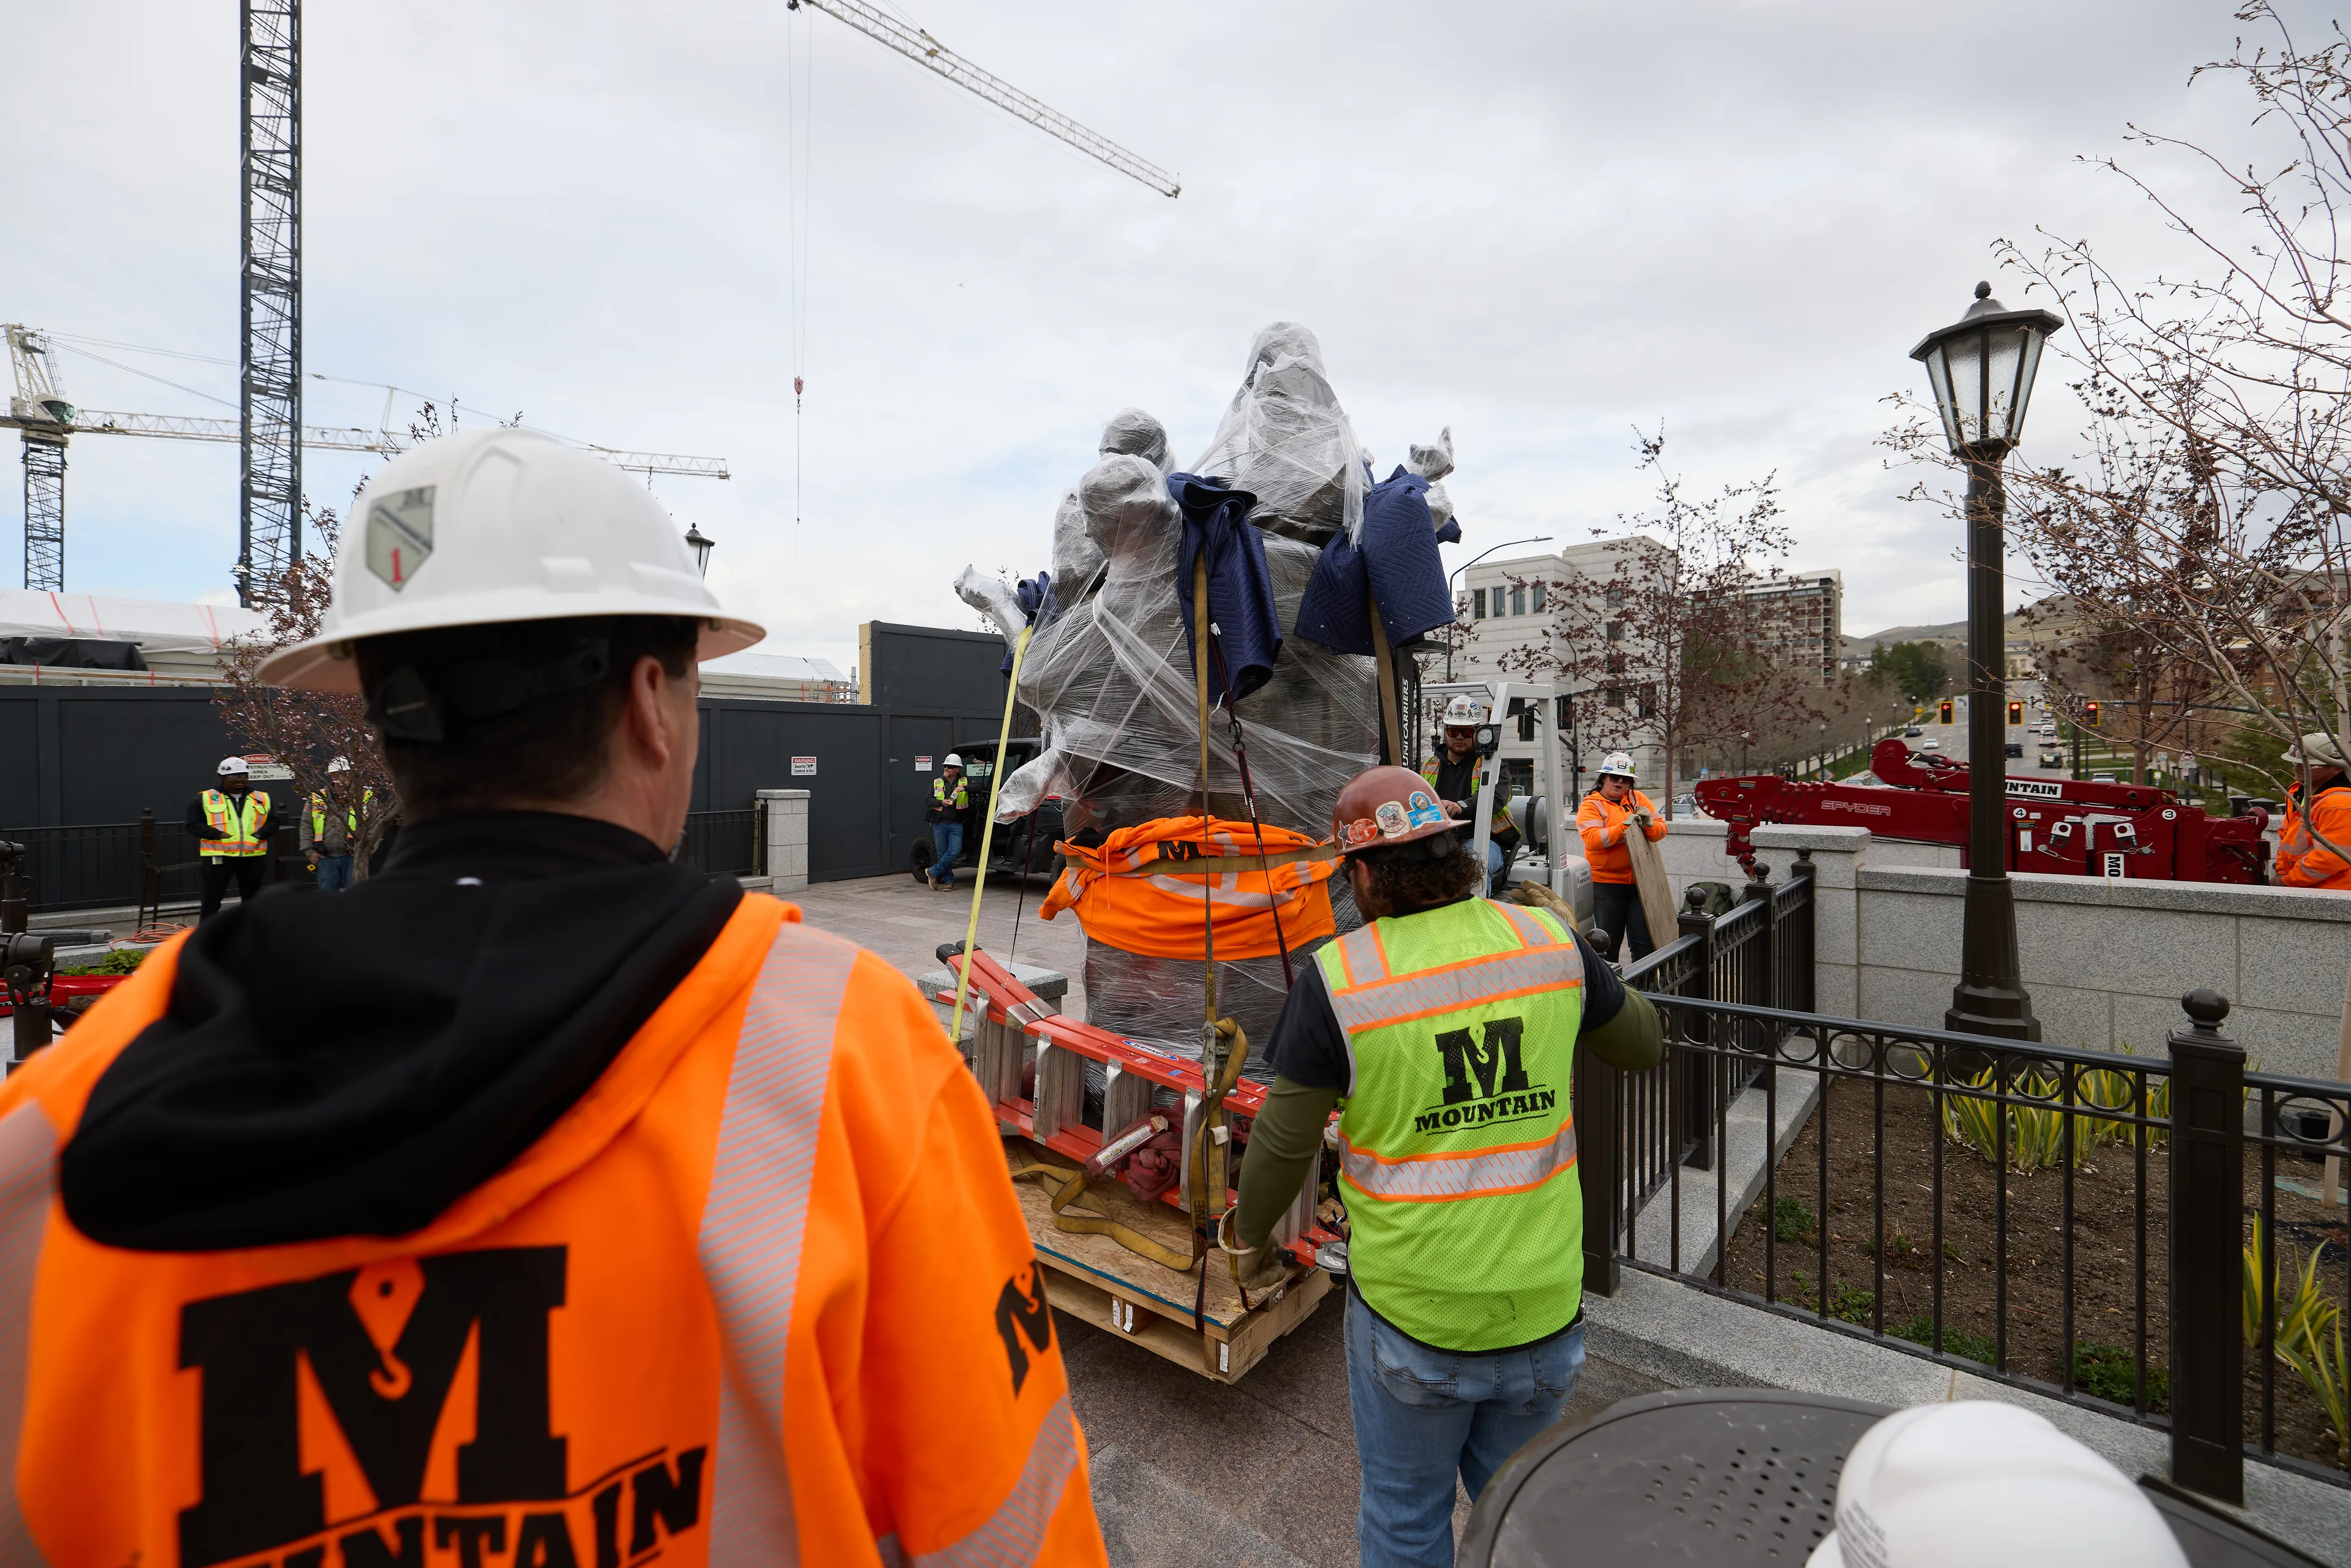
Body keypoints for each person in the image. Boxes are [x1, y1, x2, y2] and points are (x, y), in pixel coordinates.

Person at [0, 429, 1104, 1568]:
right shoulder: (851, 1061)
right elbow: (1008, 1528)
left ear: (385, 719)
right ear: (650, 706)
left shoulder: (59, 1122)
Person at [1224, 765, 1663, 1568]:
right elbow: (1642, 1042)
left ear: (1360, 874)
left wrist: (1246, 1239)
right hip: (1542, 1305)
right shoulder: (1545, 941)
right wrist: (1575, 957)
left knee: (1404, 1518)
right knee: (1521, 1517)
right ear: (1457, 857)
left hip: (1414, 1316)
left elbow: (1285, 1142)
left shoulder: (1340, 978)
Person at [1577, 751, 1668, 961]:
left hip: (1640, 884)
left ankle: (1642, 990)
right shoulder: (1591, 805)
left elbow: (1661, 831)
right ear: (1603, 779)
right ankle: (1613, 992)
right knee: (1608, 946)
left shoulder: (1638, 799)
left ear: (1630, 783)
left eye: (1625, 778)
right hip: (1607, 885)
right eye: (1614, 777)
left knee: (1643, 945)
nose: (1619, 782)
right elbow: (1594, 840)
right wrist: (1624, 827)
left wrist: (1649, 825)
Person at [1421, 694, 1518, 885]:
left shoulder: (1492, 764)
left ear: (1477, 733)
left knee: (1473, 866)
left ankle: (1477, 913)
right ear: (1445, 731)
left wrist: (1461, 806)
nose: (1459, 737)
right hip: (1440, 839)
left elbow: (1496, 798)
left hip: (1483, 839)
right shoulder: (1429, 765)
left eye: (1466, 733)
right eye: (1453, 732)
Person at [186, 754, 279, 921]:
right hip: (219, 857)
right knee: (212, 899)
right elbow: (193, 825)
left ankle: (248, 935)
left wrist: (259, 835)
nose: (240, 779)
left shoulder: (262, 798)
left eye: (244, 775)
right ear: (222, 777)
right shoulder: (205, 798)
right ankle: (207, 937)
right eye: (234, 775)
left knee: (252, 899)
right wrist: (219, 835)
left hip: (253, 856)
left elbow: (274, 822)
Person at [2276, 731, 2351, 890]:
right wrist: (2282, 873)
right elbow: (2287, 838)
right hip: (2304, 886)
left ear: (2337, 768)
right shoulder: (2299, 792)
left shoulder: (2341, 803)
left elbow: (2331, 858)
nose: (2296, 768)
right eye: (2295, 762)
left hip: (2333, 893)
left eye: (2306, 764)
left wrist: (2288, 882)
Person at [300, 754, 371, 892]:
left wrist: (367, 850)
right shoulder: (318, 798)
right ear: (333, 777)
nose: (342, 779)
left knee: (357, 895)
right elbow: (306, 826)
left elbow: (374, 826)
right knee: (328, 899)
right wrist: (309, 852)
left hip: (354, 856)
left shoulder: (364, 797)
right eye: (338, 775)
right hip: (326, 857)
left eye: (346, 774)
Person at [928, 752, 972, 889]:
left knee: (955, 851)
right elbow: (928, 800)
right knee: (942, 853)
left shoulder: (964, 781)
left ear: (957, 769)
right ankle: (948, 882)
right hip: (939, 824)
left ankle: (933, 872)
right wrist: (942, 803)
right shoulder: (937, 782)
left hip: (956, 824)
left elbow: (980, 787)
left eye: (950, 766)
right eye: (945, 766)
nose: (946, 768)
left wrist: (964, 788)